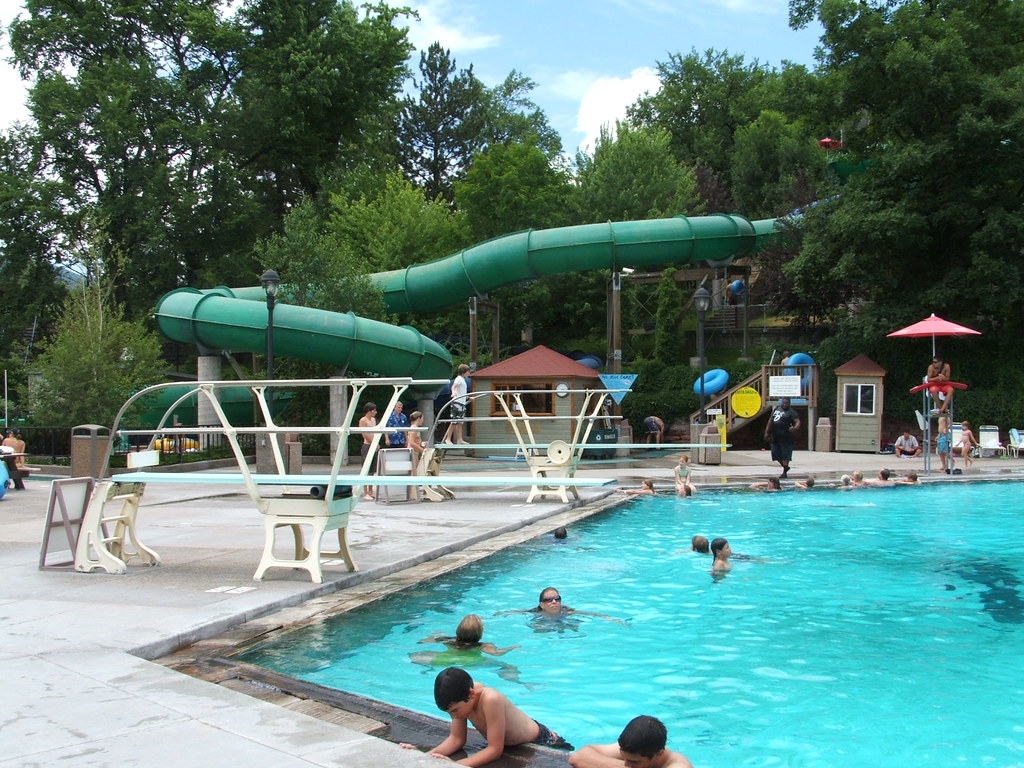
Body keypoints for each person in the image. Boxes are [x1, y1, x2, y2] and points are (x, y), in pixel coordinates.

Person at [402, 667, 571, 765]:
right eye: (450, 712)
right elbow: (456, 739)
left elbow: (495, 750)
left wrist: (453, 765)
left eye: (455, 711)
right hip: (510, 744)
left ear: (471, 694)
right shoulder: (461, 701)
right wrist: (426, 757)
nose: (454, 716)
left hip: (544, 741)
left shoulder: (490, 699)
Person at [568, 715, 694, 768]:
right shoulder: (636, 748)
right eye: (624, 758)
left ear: (659, 754)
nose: (626, 764)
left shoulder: (679, 765)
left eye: (635, 762)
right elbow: (578, 757)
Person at [500, 587, 623, 623]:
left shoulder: (566, 611)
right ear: (542, 604)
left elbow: (590, 614)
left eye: (557, 599)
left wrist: (608, 618)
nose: (554, 601)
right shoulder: (536, 612)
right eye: (549, 600)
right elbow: (517, 612)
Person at [764, 397, 800, 478]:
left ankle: (784, 472)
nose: (784, 404)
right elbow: (771, 420)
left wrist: (794, 428)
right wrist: (767, 432)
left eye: (786, 403)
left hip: (786, 437)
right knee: (775, 454)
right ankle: (786, 467)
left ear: (789, 404)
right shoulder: (777, 408)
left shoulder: (792, 412)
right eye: (783, 403)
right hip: (775, 436)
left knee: (785, 455)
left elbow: (797, 422)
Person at [442, 364, 471, 444]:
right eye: (468, 371)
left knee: (460, 422)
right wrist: (453, 392)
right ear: (464, 372)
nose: (469, 373)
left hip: (462, 403)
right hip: (457, 403)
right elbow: (453, 386)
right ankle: (448, 439)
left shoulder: (463, 380)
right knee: (454, 421)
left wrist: (468, 397)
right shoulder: (458, 379)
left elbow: (462, 392)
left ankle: (459, 439)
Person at [358, 402, 378, 500]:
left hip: (374, 445)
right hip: (367, 445)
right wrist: (373, 443)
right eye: (374, 410)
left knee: (372, 470)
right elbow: (365, 434)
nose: (375, 412)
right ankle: (365, 492)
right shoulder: (363, 420)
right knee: (366, 468)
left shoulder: (373, 420)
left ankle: (371, 491)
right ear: (369, 411)